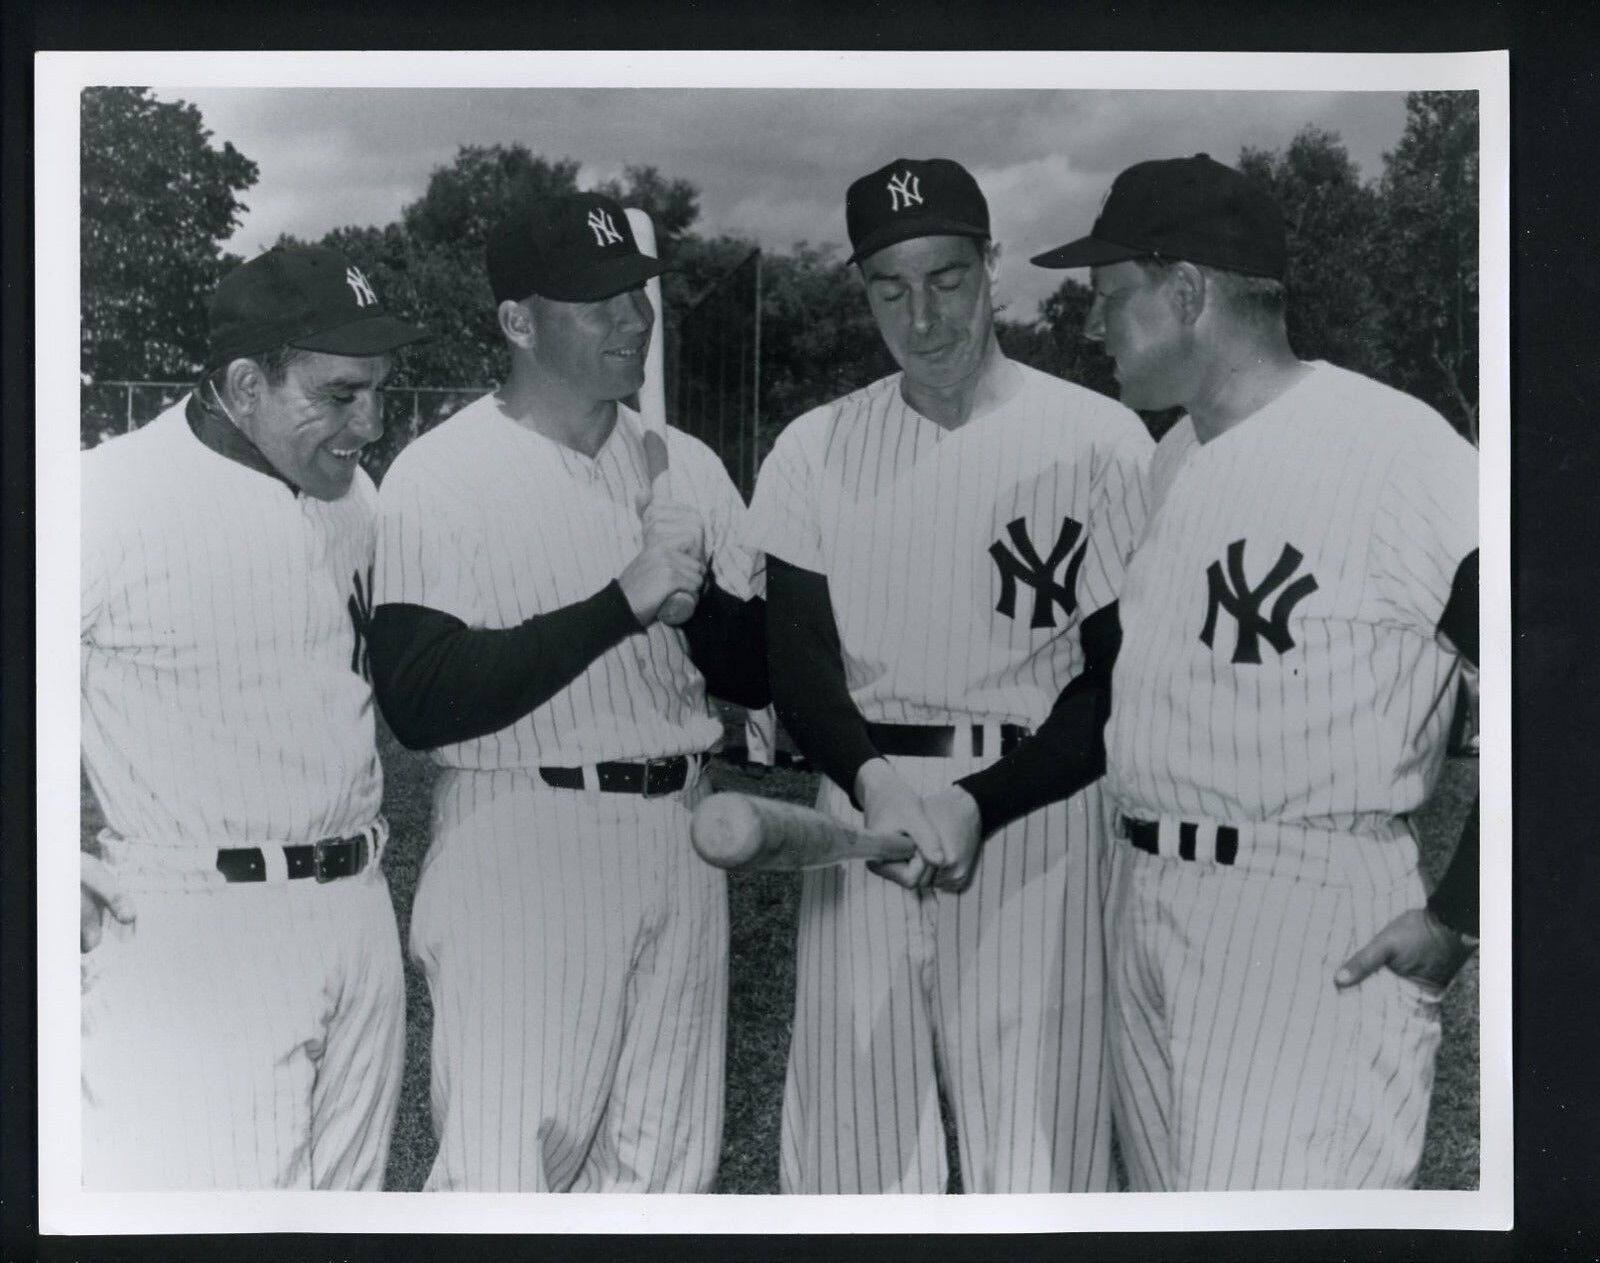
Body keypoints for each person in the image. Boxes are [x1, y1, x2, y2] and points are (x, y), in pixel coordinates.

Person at [1031, 152, 1480, 1190]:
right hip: (1146, 895)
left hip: (1302, 906)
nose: (1094, 327)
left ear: (1186, 293)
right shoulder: (1175, 456)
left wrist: (1458, 914)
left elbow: (1558, 681)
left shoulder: (1396, 451)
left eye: (1110, 299)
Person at [745, 157, 1152, 1193]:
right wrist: (877, 784)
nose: (921, 317)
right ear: (863, 291)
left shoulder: (1098, 438)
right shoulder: (814, 446)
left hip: (1036, 816)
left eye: (946, 280)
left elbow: (1113, 680)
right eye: (889, 288)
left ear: (990, 268)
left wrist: (981, 802)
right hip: (861, 813)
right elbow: (798, 662)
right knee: (852, 1164)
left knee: (1041, 1162)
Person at [368, 191, 767, 1193]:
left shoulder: (690, 468)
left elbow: (756, 673)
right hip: (522, 837)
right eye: (598, 302)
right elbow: (419, 699)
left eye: (638, 293)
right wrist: (619, 603)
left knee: (663, 1175)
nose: (634, 320)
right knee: (506, 1174)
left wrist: (697, 600)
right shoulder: (442, 474)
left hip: (681, 832)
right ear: (518, 320)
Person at [79, 245, 428, 1188]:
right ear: (245, 382)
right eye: (340, 394)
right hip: (199, 929)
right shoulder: (105, 496)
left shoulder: (354, 495)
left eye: (382, 391)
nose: (372, 422)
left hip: (358, 907)